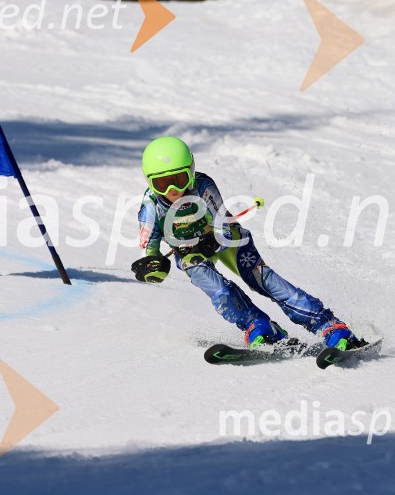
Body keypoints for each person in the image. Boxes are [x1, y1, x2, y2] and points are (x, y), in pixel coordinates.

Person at [131, 136, 363, 350]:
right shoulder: (150, 206)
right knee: (220, 292)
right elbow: (150, 252)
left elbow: (222, 224)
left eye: (179, 180)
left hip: (228, 239)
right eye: (162, 184)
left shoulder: (203, 186)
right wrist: (152, 267)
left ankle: (328, 325)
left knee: (264, 281)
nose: (174, 190)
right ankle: (258, 326)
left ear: (191, 172)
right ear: (150, 183)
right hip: (190, 253)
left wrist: (211, 241)